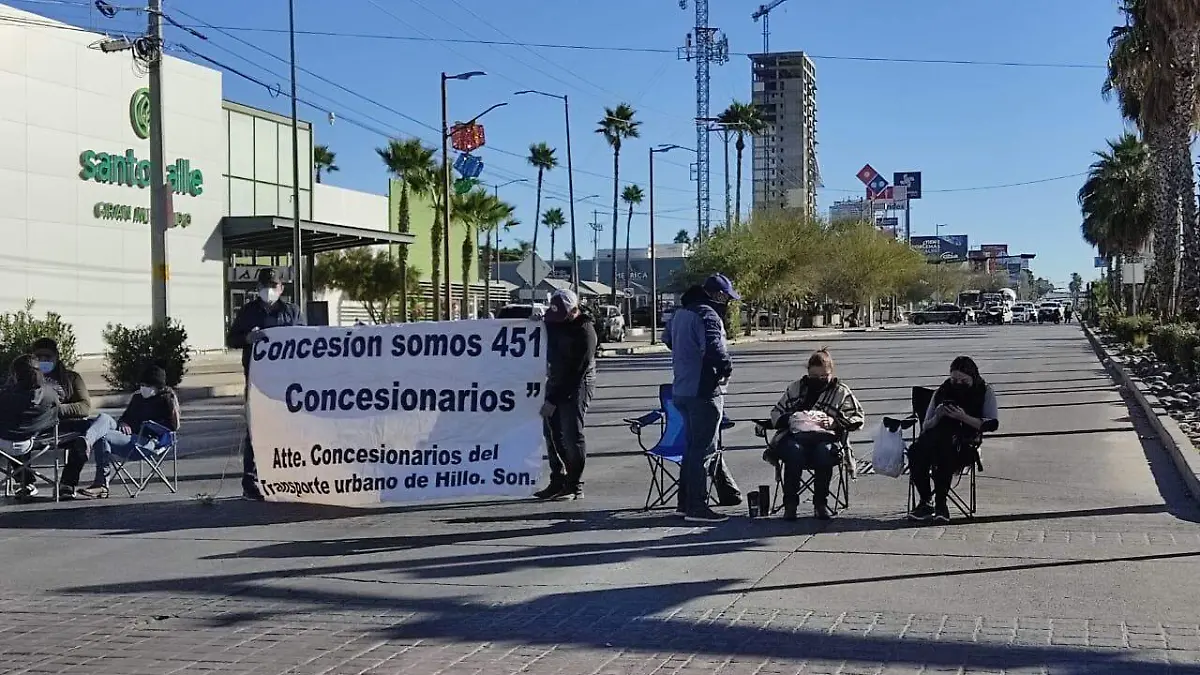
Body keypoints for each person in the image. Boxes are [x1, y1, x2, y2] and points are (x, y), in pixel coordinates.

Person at [662, 273, 743, 523]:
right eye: (727, 298)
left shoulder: (680, 314)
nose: (728, 303)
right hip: (704, 390)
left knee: (691, 448)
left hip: (681, 390)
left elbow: (667, 341)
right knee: (703, 450)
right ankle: (697, 507)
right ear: (718, 295)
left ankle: (685, 503)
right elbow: (714, 349)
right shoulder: (708, 315)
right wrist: (726, 368)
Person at [227, 268, 304, 500]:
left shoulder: (292, 312)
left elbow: (306, 341)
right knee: (255, 430)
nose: (268, 290)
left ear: (281, 288)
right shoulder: (249, 312)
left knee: (290, 429)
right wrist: (247, 339)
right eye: (264, 286)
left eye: (273, 286)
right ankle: (251, 482)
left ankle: (290, 478)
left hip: (288, 382)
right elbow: (232, 339)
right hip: (257, 381)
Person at [765, 349, 865, 520]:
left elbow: (857, 417)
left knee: (824, 452)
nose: (818, 380)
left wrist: (835, 422)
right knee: (793, 451)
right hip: (795, 437)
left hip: (826, 438)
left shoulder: (840, 391)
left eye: (823, 377)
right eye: (814, 376)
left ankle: (820, 503)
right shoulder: (796, 388)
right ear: (807, 373)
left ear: (831, 373)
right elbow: (776, 413)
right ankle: (790, 504)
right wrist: (791, 419)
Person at [908, 356, 1000, 524]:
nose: (957, 383)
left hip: (965, 443)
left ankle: (941, 503)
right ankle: (926, 501)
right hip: (935, 439)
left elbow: (991, 424)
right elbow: (926, 426)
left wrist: (962, 417)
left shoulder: (985, 391)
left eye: (963, 380)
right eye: (954, 379)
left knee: (946, 451)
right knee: (915, 452)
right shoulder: (942, 391)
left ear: (973, 377)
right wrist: (938, 415)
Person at [76, 364, 180, 499]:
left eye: (148, 385)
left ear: (157, 387)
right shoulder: (138, 398)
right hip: (128, 436)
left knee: (103, 437)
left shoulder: (166, 399)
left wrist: (149, 426)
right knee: (104, 417)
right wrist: (123, 423)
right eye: (142, 384)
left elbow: (172, 427)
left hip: (148, 442)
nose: (144, 388)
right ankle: (87, 441)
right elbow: (125, 418)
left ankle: (101, 485)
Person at [534, 290, 597, 501]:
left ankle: (574, 484)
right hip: (556, 377)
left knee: (571, 432)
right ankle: (557, 480)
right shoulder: (554, 323)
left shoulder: (585, 332)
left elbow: (577, 371)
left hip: (578, 381)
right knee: (551, 431)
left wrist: (553, 399)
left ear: (574, 310)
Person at [30, 337, 109, 499]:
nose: (43, 361)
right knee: (11, 433)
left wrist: (56, 410)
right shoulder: (25, 378)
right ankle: (25, 482)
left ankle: (67, 483)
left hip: (65, 427)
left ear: (56, 357)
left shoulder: (71, 378)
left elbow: (85, 407)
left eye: (48, 357)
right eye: (39, 357)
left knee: (90, 432)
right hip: (34, 429)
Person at [0, 355, 61, 499]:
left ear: (15, 374)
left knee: (12, 433)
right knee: (21, 433)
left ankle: (25, 482)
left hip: (4, 443)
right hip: (32, 440)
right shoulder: (50, 394)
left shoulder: (4, 397)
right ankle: (27, 482)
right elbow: (57, 413)